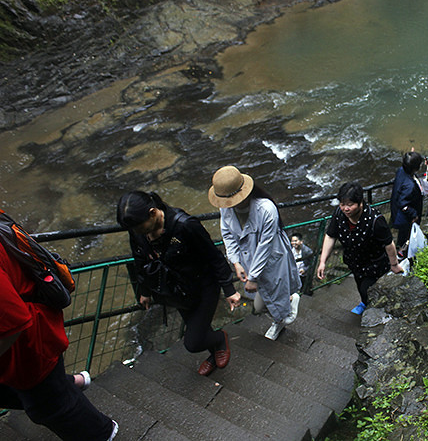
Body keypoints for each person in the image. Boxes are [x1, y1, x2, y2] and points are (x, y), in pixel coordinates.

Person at [0, 222, 118, 440]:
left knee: (47, 405)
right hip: (28, 331)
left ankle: (103, 433)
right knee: (42, 394)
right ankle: (69, 383)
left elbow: (12, 323)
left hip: (30, 343)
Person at [117, 191, 241, 377]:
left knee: (193, 342)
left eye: (140, 228)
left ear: (152, 213)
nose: (138, 233)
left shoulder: (185, 226)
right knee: (198, 328)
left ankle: (220, 339)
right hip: (176, 289)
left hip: (203, 286)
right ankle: (214, 354)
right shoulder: (137, 231)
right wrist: (144, 291)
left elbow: (213, 256)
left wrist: (229, 289)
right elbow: (140, 260)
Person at [208, 165, 301, 341]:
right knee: (264, 302)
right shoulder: (226, 208)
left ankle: (280, 320)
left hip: (272, 259)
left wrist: (253, 277)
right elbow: (227, 234)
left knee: (262, 304)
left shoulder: (266, 209)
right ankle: (286, 307)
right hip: (249, 260)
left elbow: (265, 245)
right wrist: (235, 262)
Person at [317, 182, 403, 315]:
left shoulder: (375, 220)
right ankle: (364, 303)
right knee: (359, 285)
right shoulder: (339, 214)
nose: (345, 208)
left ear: (360, 202)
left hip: (374, 264)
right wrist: (322, 261)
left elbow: (389, 243)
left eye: (350, 205)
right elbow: (330, 236)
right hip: (354, 262)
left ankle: (374, 310)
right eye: (342, 204)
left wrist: (394, 265)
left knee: (367, 289)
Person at [389, 151, 424, 250]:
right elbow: (403, 204)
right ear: (415, 168)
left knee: (403, 234)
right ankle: (403, 253)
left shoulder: (401, 171)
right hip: (405, 218)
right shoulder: (410, 186)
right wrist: (414, 214)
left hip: (395, 210)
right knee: (406, 236)